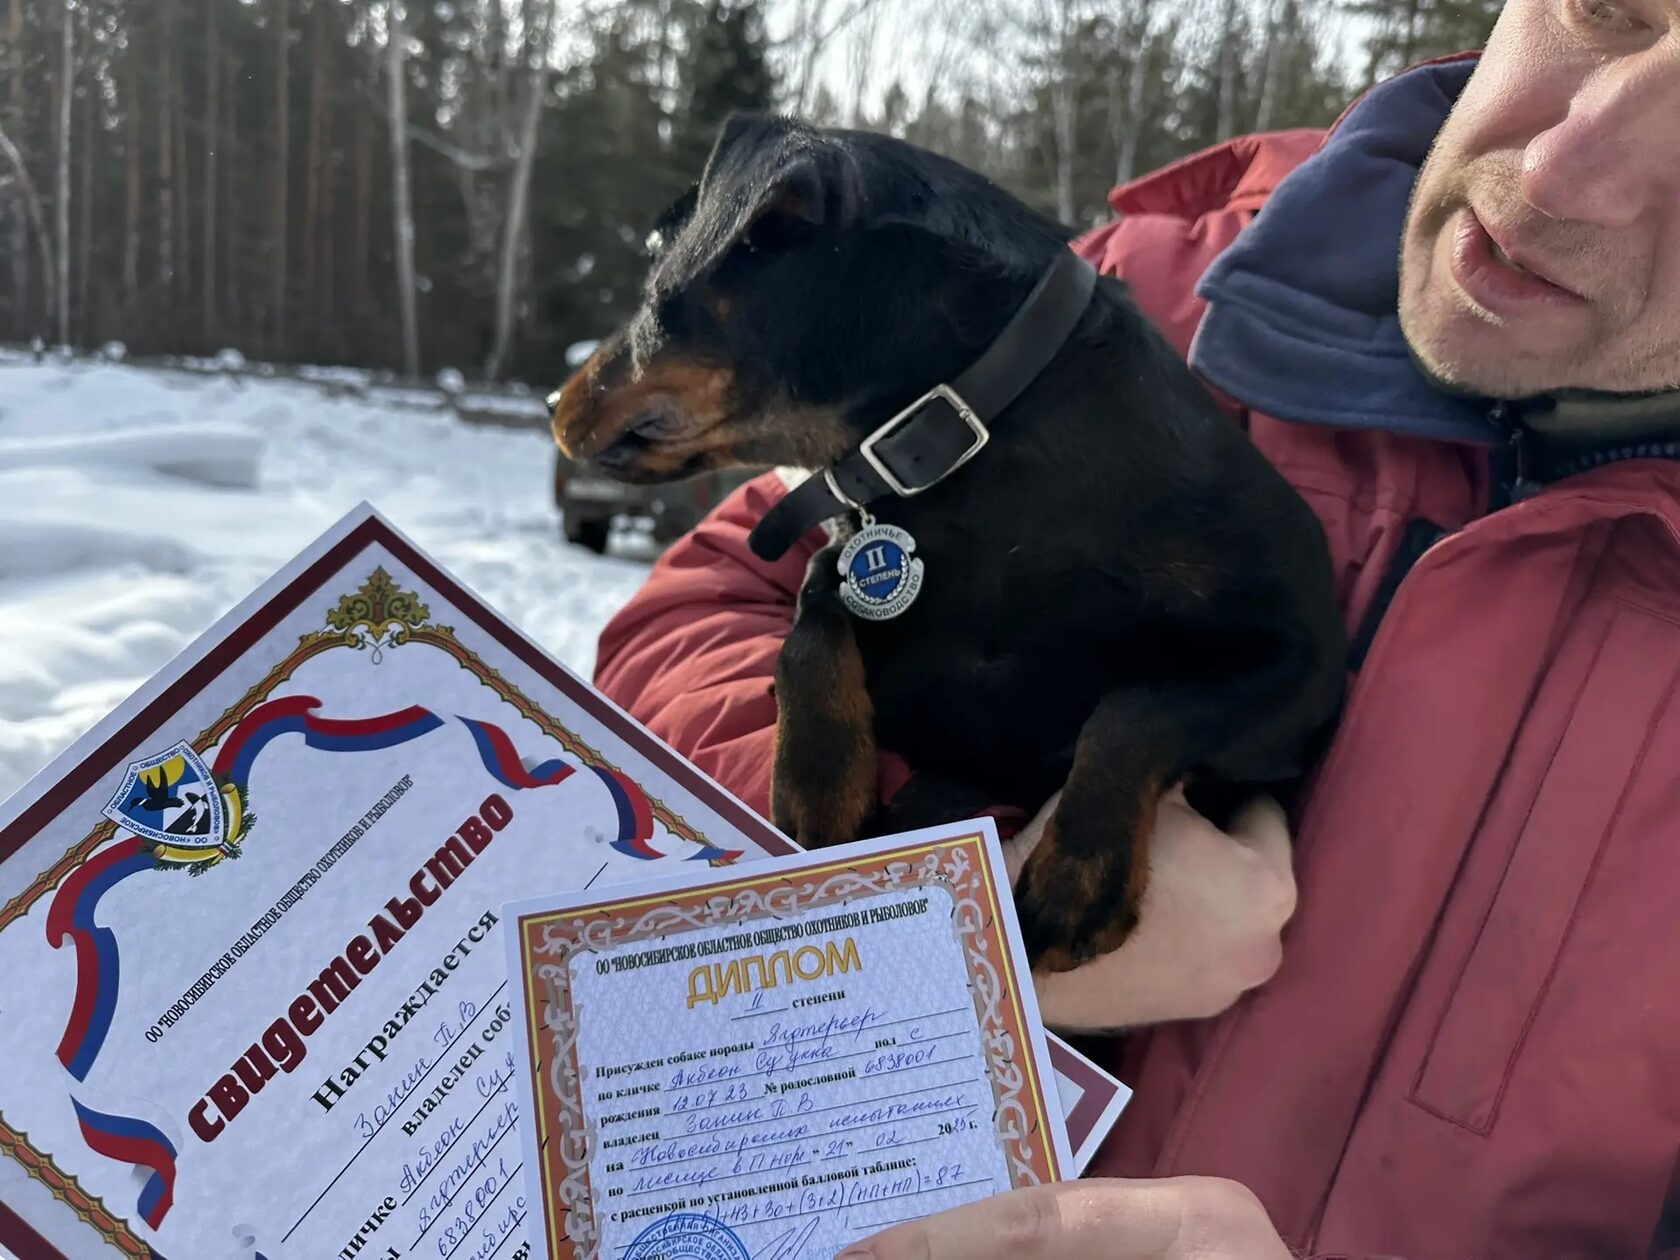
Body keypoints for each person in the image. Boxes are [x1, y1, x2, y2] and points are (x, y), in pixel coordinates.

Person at [589, 0, 1680, 1254]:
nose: (1561, 173)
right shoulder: (1075, 311)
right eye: (1606, 9)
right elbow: (691, 623)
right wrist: (965, 907)